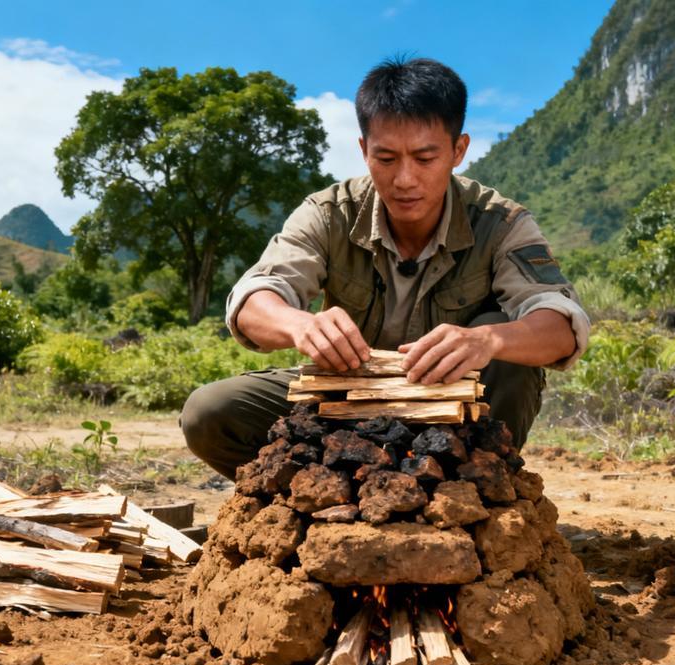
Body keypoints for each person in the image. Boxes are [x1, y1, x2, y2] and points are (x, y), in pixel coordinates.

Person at [180, 57, 590, 479]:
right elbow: (255, 297)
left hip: (455, 418)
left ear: (458, 151)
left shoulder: (501, 223)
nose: (405, 179)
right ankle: (318, 500)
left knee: (508, 349)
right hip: (345, 405)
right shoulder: (327, 213)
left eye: (425, 158)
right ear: (363, 151)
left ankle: (472, 502)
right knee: (209, 412)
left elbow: (561, 326)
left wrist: (485, 340)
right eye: (387, 158)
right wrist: (299, 325)